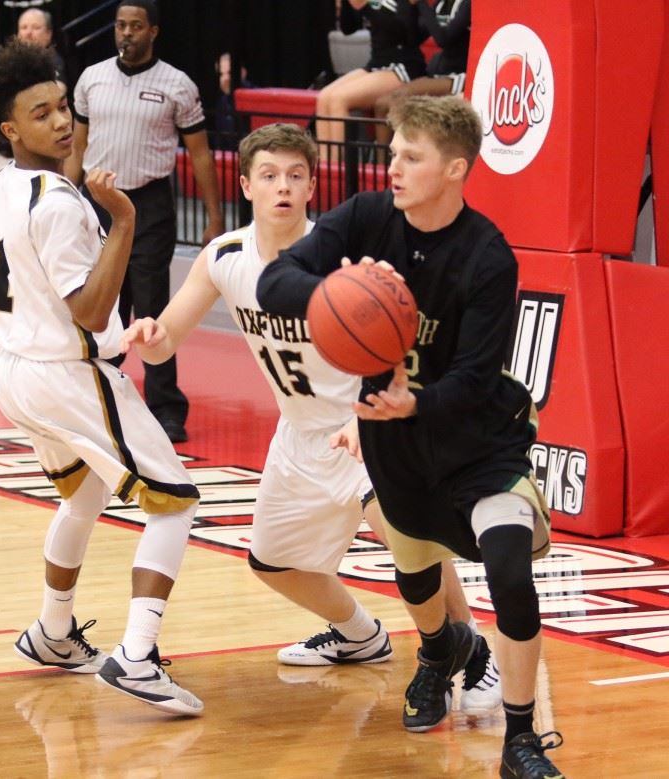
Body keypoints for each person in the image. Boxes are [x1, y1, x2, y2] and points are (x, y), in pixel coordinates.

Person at [121, 123, 500, 716]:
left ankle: (474, 652)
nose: (283, 188)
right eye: (269, 176)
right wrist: (149, 335)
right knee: (274, 562)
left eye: (296, 176)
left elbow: (407, 335)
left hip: (368, 424)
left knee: (414, 548)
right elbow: (167, 340)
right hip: (298, 434)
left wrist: (374, 409)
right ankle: (359, 635)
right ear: (244, 184)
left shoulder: (341, 257)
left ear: (311, 185)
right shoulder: (225, 258)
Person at [256, 96, 565, 779]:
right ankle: (437, 651)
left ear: (455, 169)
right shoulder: (367, 218)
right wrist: (338, 294)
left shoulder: (488, 257)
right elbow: (276, 278)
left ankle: (521, 738)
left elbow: (477, 379)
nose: (391, 165)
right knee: (417, 579)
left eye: (411, 156)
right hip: (397, 450)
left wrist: (413, 401)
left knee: (510, 572)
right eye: (392, 151)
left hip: (480, 446)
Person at [0, 40, 204, 717]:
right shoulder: (62, 205)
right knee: (176, 499)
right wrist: (122, 221)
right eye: (42, 114)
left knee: (86, 496)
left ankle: (53, 631)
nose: (62, 122)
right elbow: (91, 309)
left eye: (64, 106)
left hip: (15, 370)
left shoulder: (5, 186)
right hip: (66, 374)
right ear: (12, 129)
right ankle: (138, 655)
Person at [64, 0, 226, 444]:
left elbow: (199, 153)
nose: (126, 34)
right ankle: (99, 398)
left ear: (153, 31)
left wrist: (215, 216)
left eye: (136, 26)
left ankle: (166, 409)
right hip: (98, 201)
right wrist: (64, 199)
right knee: (102, 305)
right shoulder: (90, 79)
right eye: (120, 26)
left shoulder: (177, 84)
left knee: (152, 306)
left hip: (150, 203)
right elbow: (76, 148)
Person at [314, 0, 425, 161]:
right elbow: (348, 28)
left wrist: (374, 8)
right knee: (324, 97)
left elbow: (410, 35)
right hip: (376, 63)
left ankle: (339, 173)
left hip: (403, 65)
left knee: (338, 99)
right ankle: (327, 170)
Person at [0, 8, 67, 210]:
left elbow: (52, 98)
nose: (28, 32)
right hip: (4, 151)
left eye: (35, 27)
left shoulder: (53, 65)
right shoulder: (6, 68)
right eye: (24, 27)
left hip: (35, 155)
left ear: (49, 34)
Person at [373, 0, 471, 145]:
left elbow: (443, 38)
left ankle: (404, 156)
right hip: (441, 73)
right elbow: (414, 39)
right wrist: (412, 8)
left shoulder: (468, 4)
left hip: (463, 74)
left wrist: (422, 4)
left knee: (398, 99)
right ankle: (381, 163)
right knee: (381, 105)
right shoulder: (441, 4)